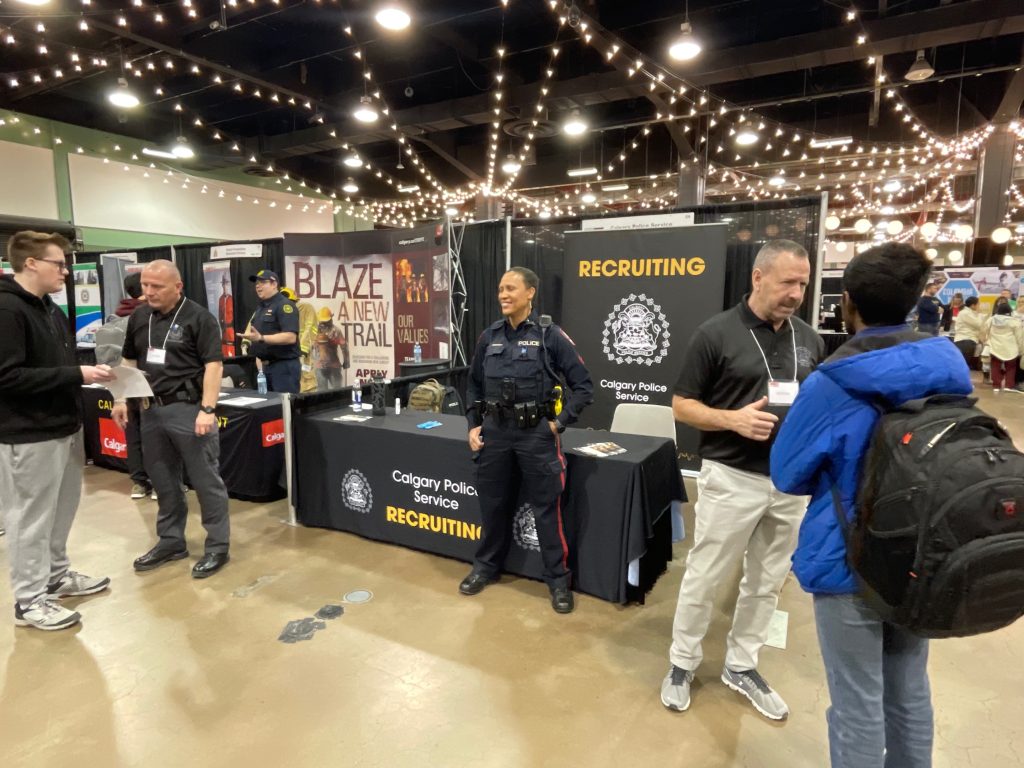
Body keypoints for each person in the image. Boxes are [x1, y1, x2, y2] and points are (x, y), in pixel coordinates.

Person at [771, 243, 972, 767]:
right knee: (909, 691)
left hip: (849, 561)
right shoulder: (948, 366)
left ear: (848, 304)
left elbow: (787, 473)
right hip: (925, 553)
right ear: (913, 302)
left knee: (858, 703)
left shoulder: (833, 383)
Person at [660, 239, 825, 720]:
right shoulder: (716, 334)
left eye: (803, 283)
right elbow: (681, 404)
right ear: (758, 277)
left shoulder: (809, 339)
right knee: (705, 574)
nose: (796, 292)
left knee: (767, 581)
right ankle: (681, 661)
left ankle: (742, 664)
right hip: (731, 477)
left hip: (791, 484)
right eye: (787, 281)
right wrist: (732, 420)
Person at [461, 267, 593, 614]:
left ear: (530, 293)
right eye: (500, 289)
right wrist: (473, 425)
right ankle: (485, 568)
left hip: (536, 435)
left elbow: (584, 386)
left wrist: (559, 424)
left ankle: (558, 582)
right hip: (495, 434)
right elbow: (473, 385)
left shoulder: (550, 336)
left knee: (546, 512)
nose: (503, 295)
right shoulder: (489, 337)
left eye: (511, 289)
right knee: (492, 506)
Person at [0, 231, 113, 631]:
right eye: (59, 264)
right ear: (31, 263)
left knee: (61, 512)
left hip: (64, 427)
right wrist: (75, 373)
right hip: (28, 434)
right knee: (29, 518)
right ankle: (29, 601)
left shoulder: (49, 308)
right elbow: (6, 376)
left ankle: (56, 576)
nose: (66, 272)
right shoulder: (7, 310)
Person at [112, 260, 231, 579]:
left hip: (189, 410)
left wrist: (207, 409)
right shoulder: (138, 317)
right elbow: (129, 359)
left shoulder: (199, 318)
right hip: (150, 410)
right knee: (163, 481)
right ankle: (171, 541)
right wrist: (121, 397)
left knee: (206, 481)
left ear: (177, 287)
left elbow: (213, 367)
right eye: (145, 285)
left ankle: (217, 546)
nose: (148, 291)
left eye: (156, 286)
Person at [112, 271, 155, 500]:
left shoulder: (113, 318)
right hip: (146, 386)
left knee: (133, 434)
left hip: (121, 385)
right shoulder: (147, 318)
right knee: (153, 435)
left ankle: (139, 482)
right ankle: (158, 483)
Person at [241, 269, 300, 393]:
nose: (258, 286)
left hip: (283, 368)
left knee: (285, 409)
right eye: (256, 283)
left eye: (262, 282)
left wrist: (261, 338)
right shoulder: (260, 308)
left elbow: (290, 337)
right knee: (268, 409)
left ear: (274, 284)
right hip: (264, 368)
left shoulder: (285, 306)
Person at [983, 299, 1023, 393]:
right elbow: (1020, 337)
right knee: (1011, 367)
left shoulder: (991, 320)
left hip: (995, 347)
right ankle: (1008, 386)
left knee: (995, 366)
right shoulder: (1014, 321)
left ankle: (996, 385)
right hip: (1011, 347)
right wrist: (1021, 349)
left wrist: (987, 342)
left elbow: (984, 331)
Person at [313, 306, 349, 391]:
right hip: (326, 366)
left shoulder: (335, 331)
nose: (324, 323)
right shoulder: (336, 331)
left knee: (331, 392)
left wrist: (346, 361)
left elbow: (344, 347)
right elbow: (344, 347)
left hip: (329, 366)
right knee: (335, 392)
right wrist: (346, 362)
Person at [952, 296, 985, 369]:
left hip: (968, 341)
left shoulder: (969, 313)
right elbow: (979, 324)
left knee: (965, 364)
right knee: (963, 364)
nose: (979, 306)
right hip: (965, 341)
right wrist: (980, 314)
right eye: (978, 304)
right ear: (973, 305)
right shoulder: (965, 313)